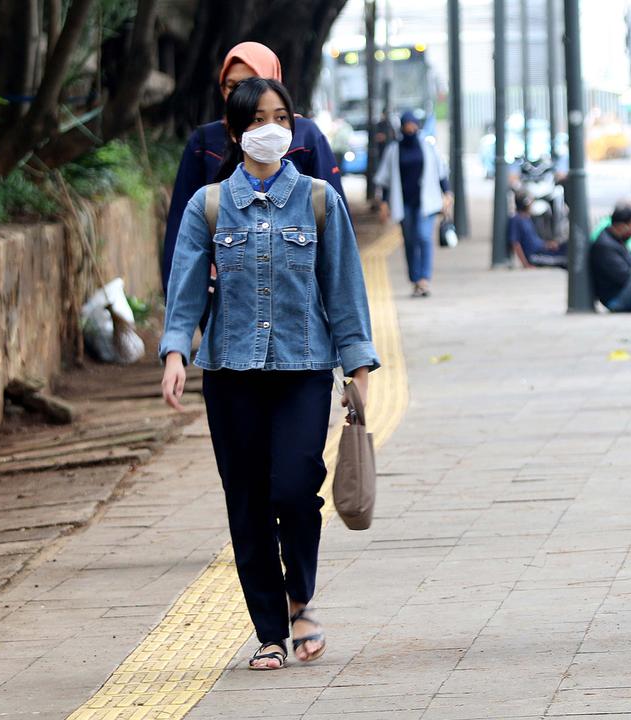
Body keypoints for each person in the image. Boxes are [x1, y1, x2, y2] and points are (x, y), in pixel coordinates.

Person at [159, 78, 379, 672]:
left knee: (295, 488)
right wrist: (176, 352)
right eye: (257, 119)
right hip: (230, 373)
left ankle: (300, 598)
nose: (271, 129)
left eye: (281, 116)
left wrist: (358, 369)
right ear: (234, 132)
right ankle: (269, 632)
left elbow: (345, 289)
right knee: (248, 501)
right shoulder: (208, 205)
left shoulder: (316, 200)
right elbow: (184, 292)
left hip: (303, 367)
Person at [160, 42, 347, 295]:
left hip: (299, 292)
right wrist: (178, 297)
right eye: (231, 85)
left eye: (251, 82)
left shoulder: (305, 137)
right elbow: (181, 227)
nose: (240, 93)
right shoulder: (204, 142)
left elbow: (336, 226)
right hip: (224, 293)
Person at [374, 110, 452, 297]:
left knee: (424, 237)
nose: (410, 127)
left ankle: (424, 279)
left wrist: (447, 193)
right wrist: (384, 203)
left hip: (426, 202)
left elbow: (440, 171)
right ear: (402, 126)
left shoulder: (428, 146)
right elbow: (386, 179)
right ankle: (415, 279)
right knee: (409, 241)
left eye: (413, 124)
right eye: (407, 124)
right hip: (404, 202)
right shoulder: (394, 149)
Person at [509, 191, 566, 268]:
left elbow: (534, 240)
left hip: (543, 249)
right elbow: (515, 243)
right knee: (565, 259)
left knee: (565, 246)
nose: (531, 205)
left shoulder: (527, 218)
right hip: (535, 255)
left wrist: (548, 244)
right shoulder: (516, 220)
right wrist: (525, 264)